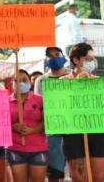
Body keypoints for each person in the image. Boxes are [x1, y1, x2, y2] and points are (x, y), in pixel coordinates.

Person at [60, 43, 104, 182]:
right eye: (88, 59)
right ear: (76, 60)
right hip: (73, 134)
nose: (92, 62)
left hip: (99, 132)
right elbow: (61, 108)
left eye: (93, 59)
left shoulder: (100, 83)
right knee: (79, 176)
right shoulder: (62, 83)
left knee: (98, 177)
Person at [33, 47, 69, 182]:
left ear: (63, 56)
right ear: (46, 60)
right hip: (52, 131)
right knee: (55, 171)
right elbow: (39, 105)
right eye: (50, 56)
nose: (54, 58)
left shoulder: (73, 77)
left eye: (57, 54)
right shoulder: (41, 81)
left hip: (73, 127)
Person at [7, 70, 47, 182]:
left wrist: (32, 130)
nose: (20, 83)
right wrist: (13, 127)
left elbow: (47, 122)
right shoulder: (5, 102)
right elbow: (1, 124)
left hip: (38, 148)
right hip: (15, 148)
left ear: (30, 82)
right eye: (17, 80)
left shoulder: (39, 100)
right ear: (12, 83)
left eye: (24, 80)